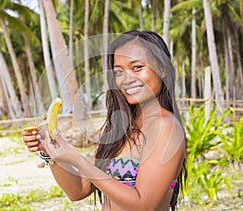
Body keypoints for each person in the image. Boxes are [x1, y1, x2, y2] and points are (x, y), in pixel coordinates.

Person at [22, 30, 186, 211]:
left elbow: (143, 205)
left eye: (137, 67)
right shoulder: (121, 128)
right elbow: (78, 190)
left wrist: (77, 159)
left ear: (162, 68)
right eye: (118, 71)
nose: (127, 79)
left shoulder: (165, 126)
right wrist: (50, 151)